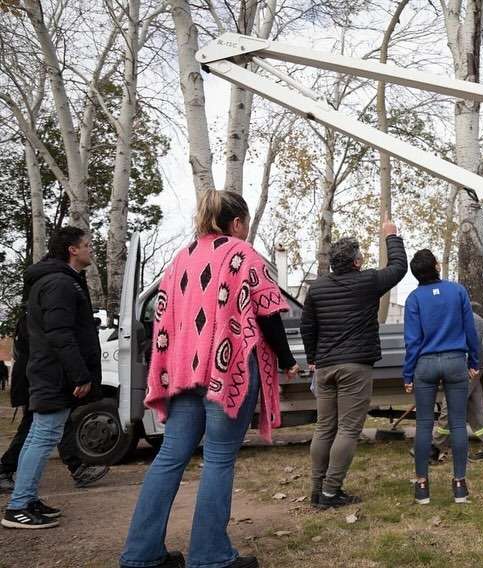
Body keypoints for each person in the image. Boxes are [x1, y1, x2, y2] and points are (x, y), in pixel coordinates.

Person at [120, 190, 299, 568]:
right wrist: (287, 359)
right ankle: (210, 556)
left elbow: (160, 315)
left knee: (170, 456)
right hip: (228, 367)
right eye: (246, 225)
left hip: (183, 370)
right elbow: (268, 315)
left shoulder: (180, 259)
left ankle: (140, 555)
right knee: (218, 458)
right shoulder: (242, 255)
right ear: (237, 223)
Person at [301, 219, 407, 510]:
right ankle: (331, 493)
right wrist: (391, 236)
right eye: (361, 255)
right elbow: (399, 268)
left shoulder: (317, 289)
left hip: (325, 367)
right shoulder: (368, 281)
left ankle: (316, 489)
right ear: (357, 261)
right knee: (348, 430)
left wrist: (313, 359)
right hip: (355, 366)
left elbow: (307, 327)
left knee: (324, 428)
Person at [2, 227, 103, 529]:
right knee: (43, 437)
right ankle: (18, 506)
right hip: (54, 374)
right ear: (72, 249)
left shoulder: (61, 281)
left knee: (38, 436)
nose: (90, 250)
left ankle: (28, 498)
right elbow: (60, 334)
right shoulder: (59, 283)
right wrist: (79, 374)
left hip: (50, 372)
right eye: (87, 245)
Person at [1, 309, 109, 495]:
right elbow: (46, 349)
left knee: (48, 426)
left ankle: (75, 468)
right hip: (38, 382)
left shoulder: (34, 316)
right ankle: (10, 475)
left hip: (38, 381)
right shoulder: (39, 317)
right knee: (35, 429)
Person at [403, 249, 479, 505]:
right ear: (436, 266)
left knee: (424, 424)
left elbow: (412, 341)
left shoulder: (414, 299)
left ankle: (422, 486)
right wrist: (475, 361)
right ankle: (459, 486)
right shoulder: (457, 291)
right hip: (456, 361)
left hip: (425, 364)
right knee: (458, 424)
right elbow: (470, 329)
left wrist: (408, 374)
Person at [431, 301, 483, 463]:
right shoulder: (460, 318)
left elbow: (471, 346)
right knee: (475, 409)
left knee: (451, 405)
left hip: (467, 368)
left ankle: (435, 448)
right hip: (466, 367)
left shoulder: (472, 319)